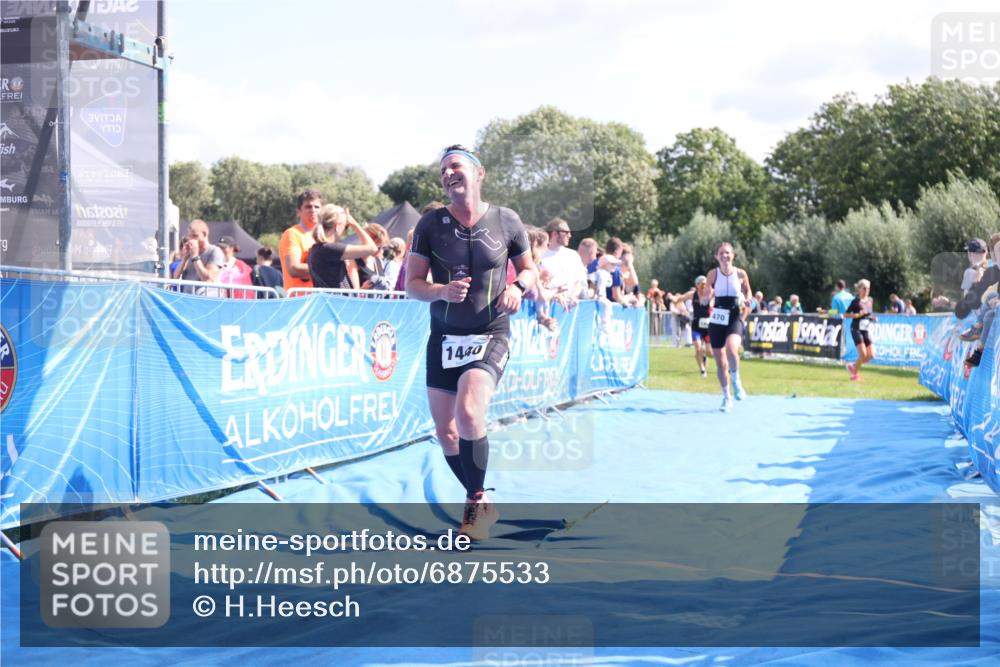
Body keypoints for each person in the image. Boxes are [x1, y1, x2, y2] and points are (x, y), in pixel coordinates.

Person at [406, 144, 535, 540]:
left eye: (456, 166)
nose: (448, 174)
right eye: (443, 169)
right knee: (445, 431)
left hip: (491, 332)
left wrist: (519, 286)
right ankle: (480, 500)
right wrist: (441, 291)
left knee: (467, 411)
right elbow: (413, 285)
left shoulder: (507, 221)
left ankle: (474, 506)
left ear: (480, 173)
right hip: (444, 337)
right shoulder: (429, 225)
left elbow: (530, 270)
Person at [706, 241, 752, 412]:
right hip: (718, 316)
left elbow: (749, 291)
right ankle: (726, 397)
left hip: (734, 315)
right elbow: (706, 295)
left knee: (732, 349)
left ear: (733, 255)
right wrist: (706, 296)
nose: (725, 256)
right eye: (721, 253)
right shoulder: (713, 273)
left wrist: (747, 299)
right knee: (720, 363)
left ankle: (736, 380)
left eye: (727, 253)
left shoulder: (740, 274)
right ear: (716, 256)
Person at [308, 204, 378, 289]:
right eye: (346, 227)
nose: (344, 232)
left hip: (329, 300)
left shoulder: (317, 249)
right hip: (336, 301)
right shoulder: (330, 249)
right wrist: (354, 224)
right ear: (337, 226)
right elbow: (372, 248)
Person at [956, 233, 1000, 368]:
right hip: (989, 311)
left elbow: (964, 308)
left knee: (989, 305)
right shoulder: (992, 270)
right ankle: (979, 350)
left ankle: (977, 333)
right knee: (988, 310)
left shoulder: (972, 272)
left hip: (979, 314)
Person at [279, 189, 323, 293]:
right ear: (298, 211)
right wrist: (327, 269)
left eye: (317, 207)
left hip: (320, 300)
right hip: (298, 300)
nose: (313, 210)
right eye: (308, 206)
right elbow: (294, 268)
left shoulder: (324, 236)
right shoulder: (292, 234)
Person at [671, 275, 713, 377]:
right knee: (698, 348)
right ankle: (702, 369)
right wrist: (672, 298)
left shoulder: (710, 293)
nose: (704, 286)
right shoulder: (692, 294)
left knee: (709, 352)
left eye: (705, 284)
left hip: (708, 326)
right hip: (696, 325)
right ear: (697, 285)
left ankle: (704, 355)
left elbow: (721, 294)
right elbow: (680, 298)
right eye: (702, 284)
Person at [540, 217, 587, 307]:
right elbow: (537, 285)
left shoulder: (573, 255)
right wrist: (554, 295)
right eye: (566, 232)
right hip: (547, 307)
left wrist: (573, 295)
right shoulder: (540, 255)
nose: (570, 235)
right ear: (554, 233)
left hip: (569, 308)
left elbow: (578, 282)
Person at [173, 219, 223, 295]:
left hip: (207, 300)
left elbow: (208, 279)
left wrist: (195, 257)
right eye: (190, 236)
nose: (192, 239)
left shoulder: (215, 251)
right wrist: (184, 259)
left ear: (205, 234)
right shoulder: (190, 252)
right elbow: (175, 277)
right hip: (189, 299)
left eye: (195, 236)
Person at [844, 279, 876, 381]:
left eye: (868, 288)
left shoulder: (870, 300)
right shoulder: (855, 301)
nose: (867, 290)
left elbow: (869, 313)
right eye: (864, 288)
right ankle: (854, 375)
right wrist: (858, 314)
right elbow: (846, 314)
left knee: (871, 355)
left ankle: (853, 367)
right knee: (863, 354)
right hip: (856, 328)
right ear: (859, 289)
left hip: (866, 329)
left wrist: (872, 318)